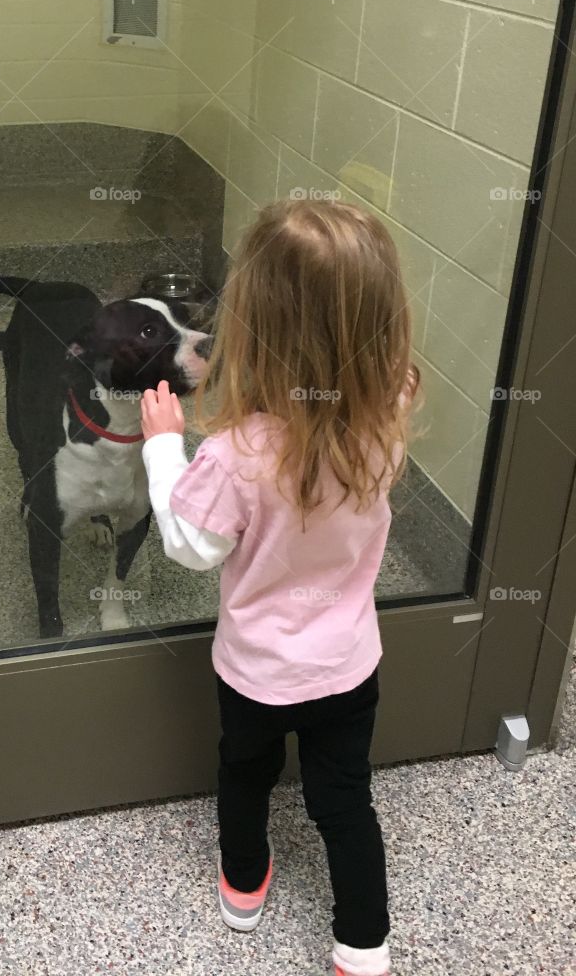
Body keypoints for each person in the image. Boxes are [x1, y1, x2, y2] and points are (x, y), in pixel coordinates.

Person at [140, 198, 418, 976]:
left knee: (245, 773)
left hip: (257, 673)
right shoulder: (391, 408)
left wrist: (165, 450)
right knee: (345, 803)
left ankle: (243, 887)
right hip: (348, 667)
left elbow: (190, 546)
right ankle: (364, 948)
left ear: (254, 327)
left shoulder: (235, 455)